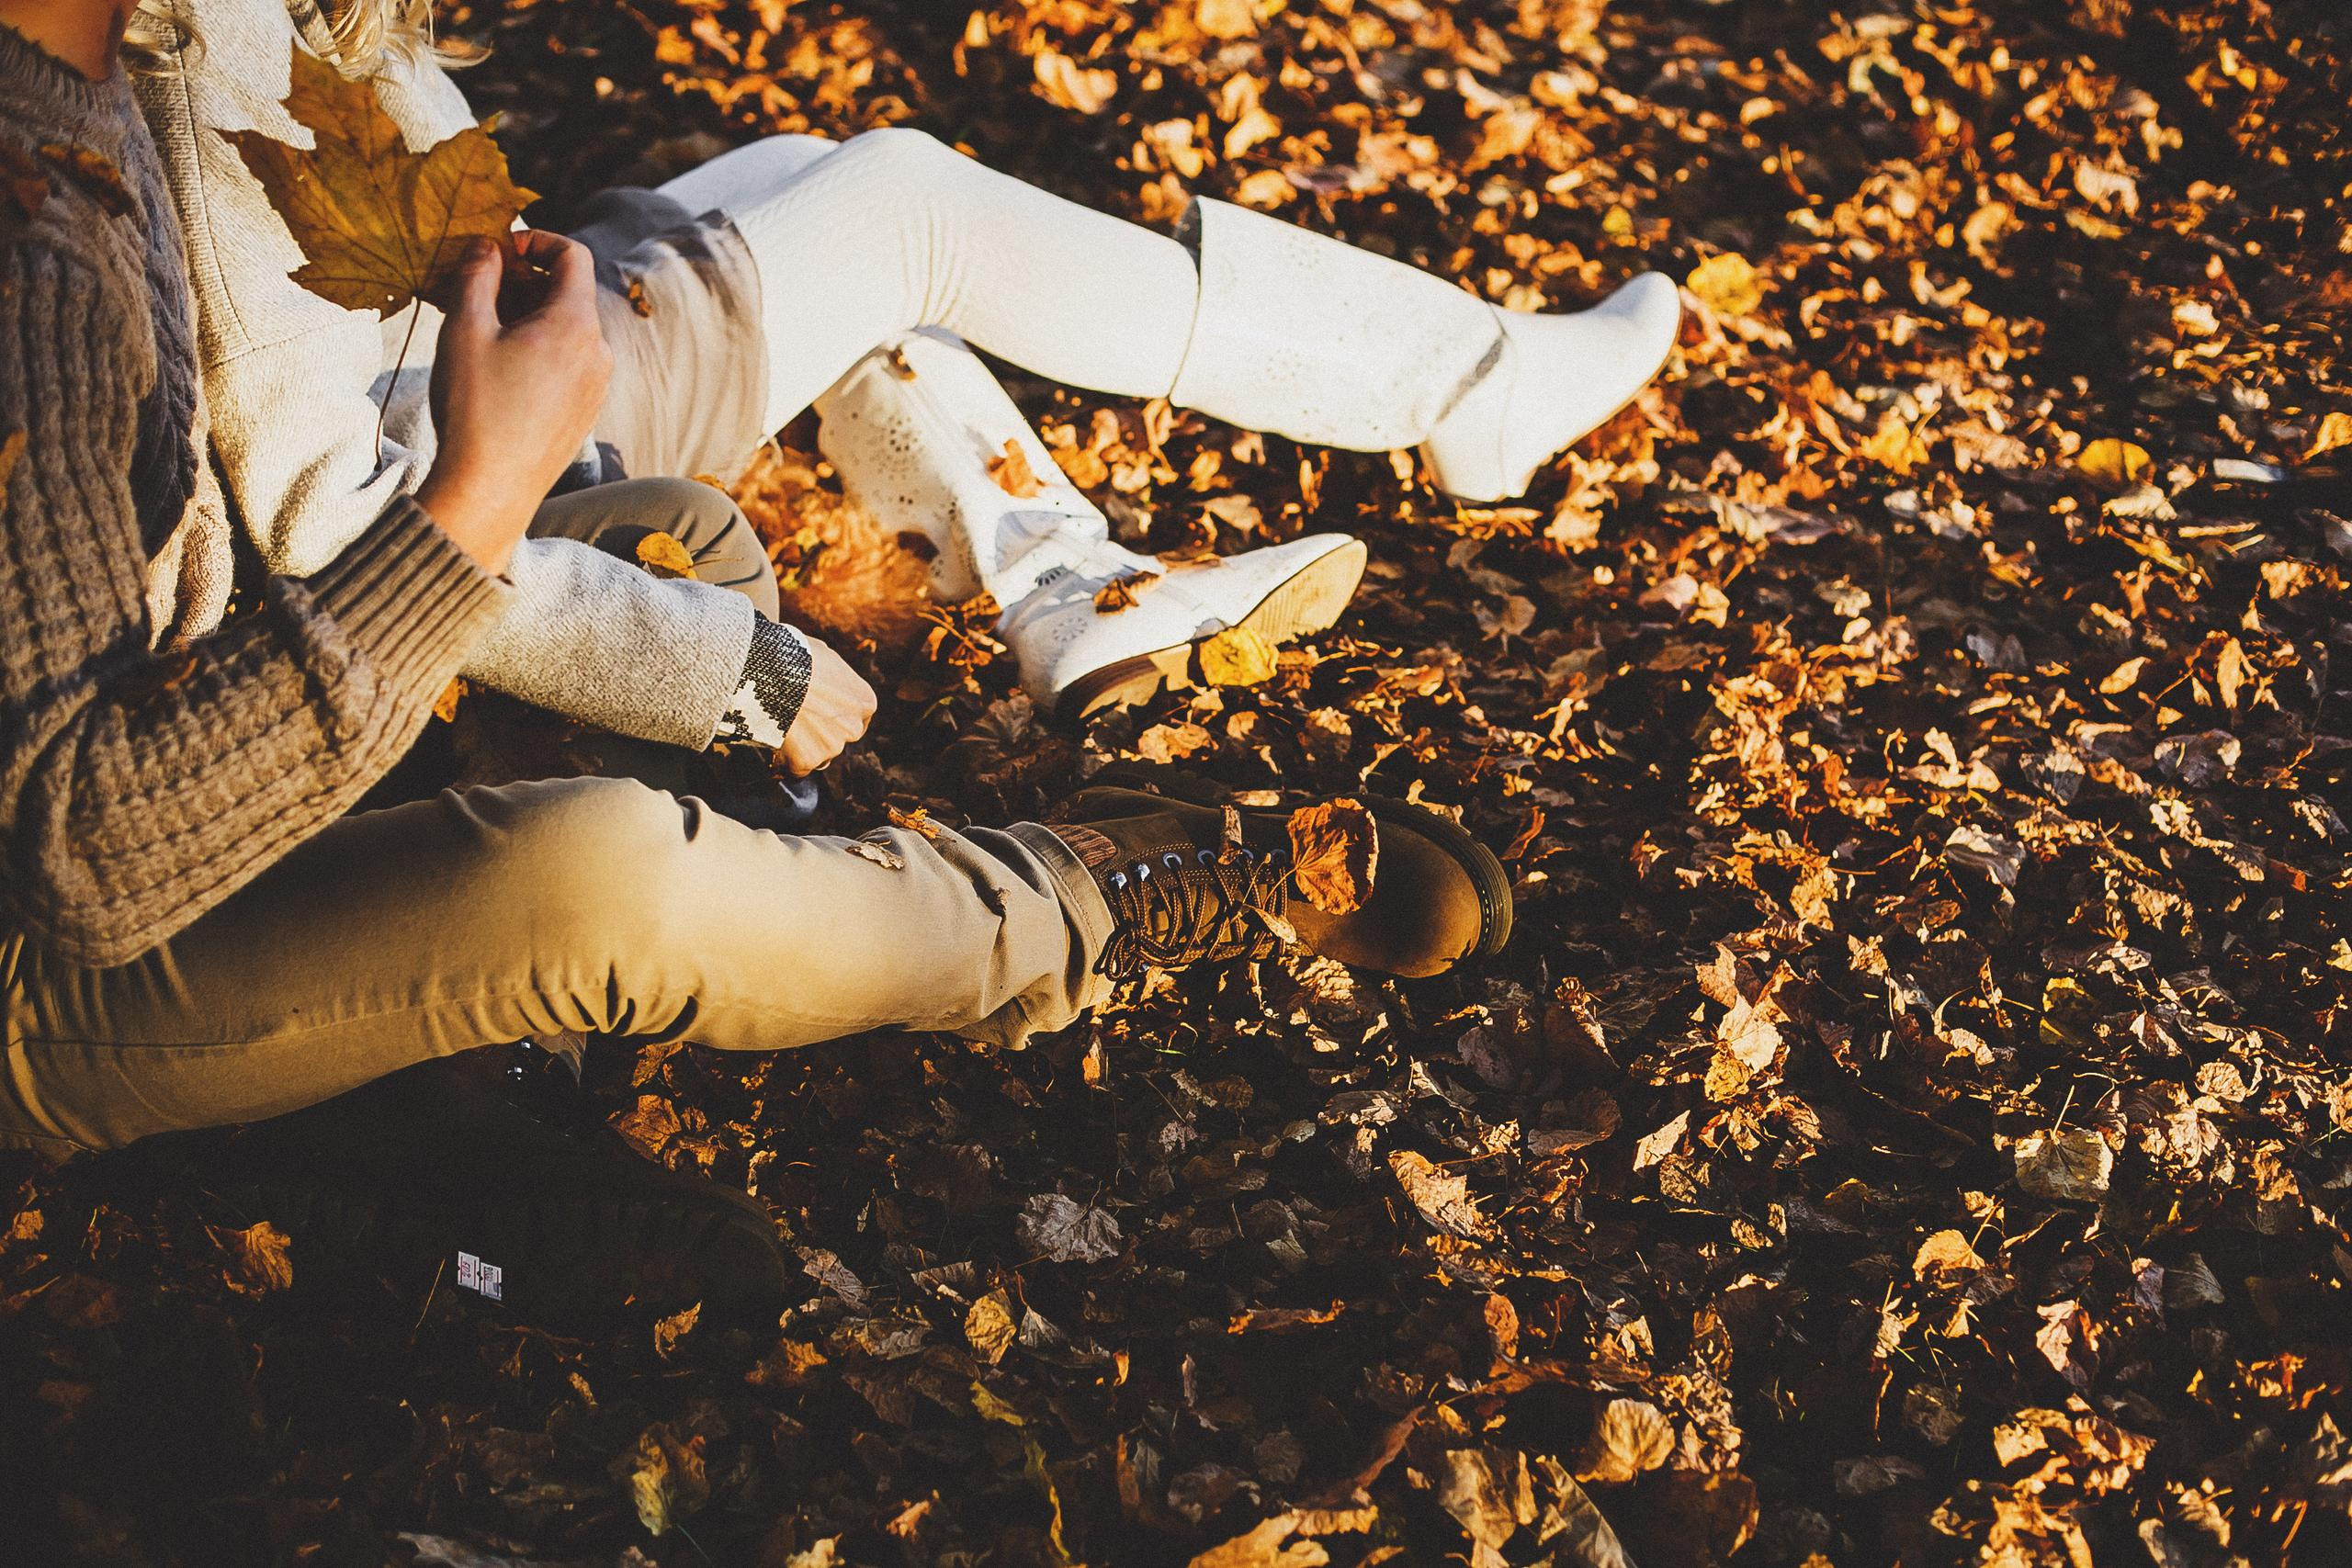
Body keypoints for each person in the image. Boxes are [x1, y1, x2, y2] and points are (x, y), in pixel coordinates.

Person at [0, 0, 1511, 1327]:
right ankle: (1100, 890)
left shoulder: (95, 103)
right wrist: (469, 506)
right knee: (598, 874)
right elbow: (86, 860)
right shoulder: (39, 234)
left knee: (671, 536)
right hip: (61, 962)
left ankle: (438, 1098)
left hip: (205, 730)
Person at [131, 0, 1680, 732]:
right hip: (488, 436)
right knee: (910, 208)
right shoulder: (192, 51)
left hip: (462, 337)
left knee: (811, 167)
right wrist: (698, 665)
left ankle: (1070, 591)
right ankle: (1469, 388)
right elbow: (330, 496)